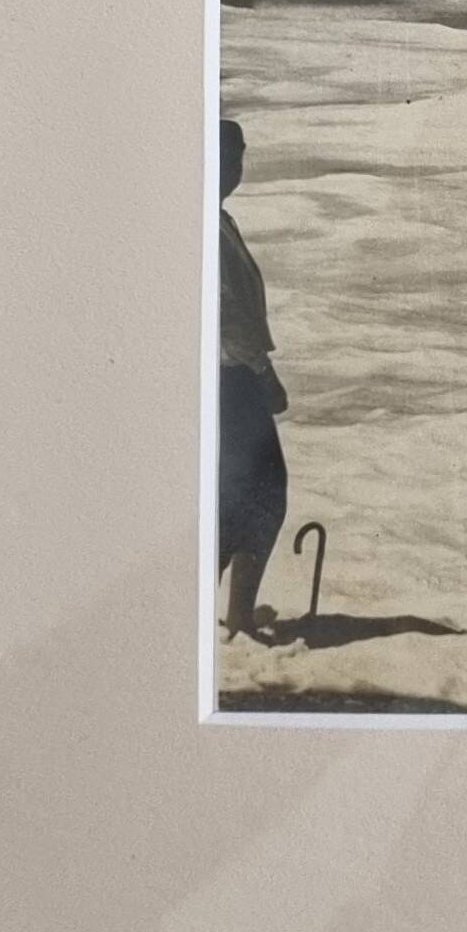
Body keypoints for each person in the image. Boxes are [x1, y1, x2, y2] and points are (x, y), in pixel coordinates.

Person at [215, 116, 291, 639]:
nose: (235, 169)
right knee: (262, 490)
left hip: (230, 375)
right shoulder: (205, 223)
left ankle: (234, 612)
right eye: (229, 158)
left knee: (246, 492)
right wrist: (264, 373)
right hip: (232, 376)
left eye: (239, 158)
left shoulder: (218, 218)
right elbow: (227, 313)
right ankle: (233, 615)